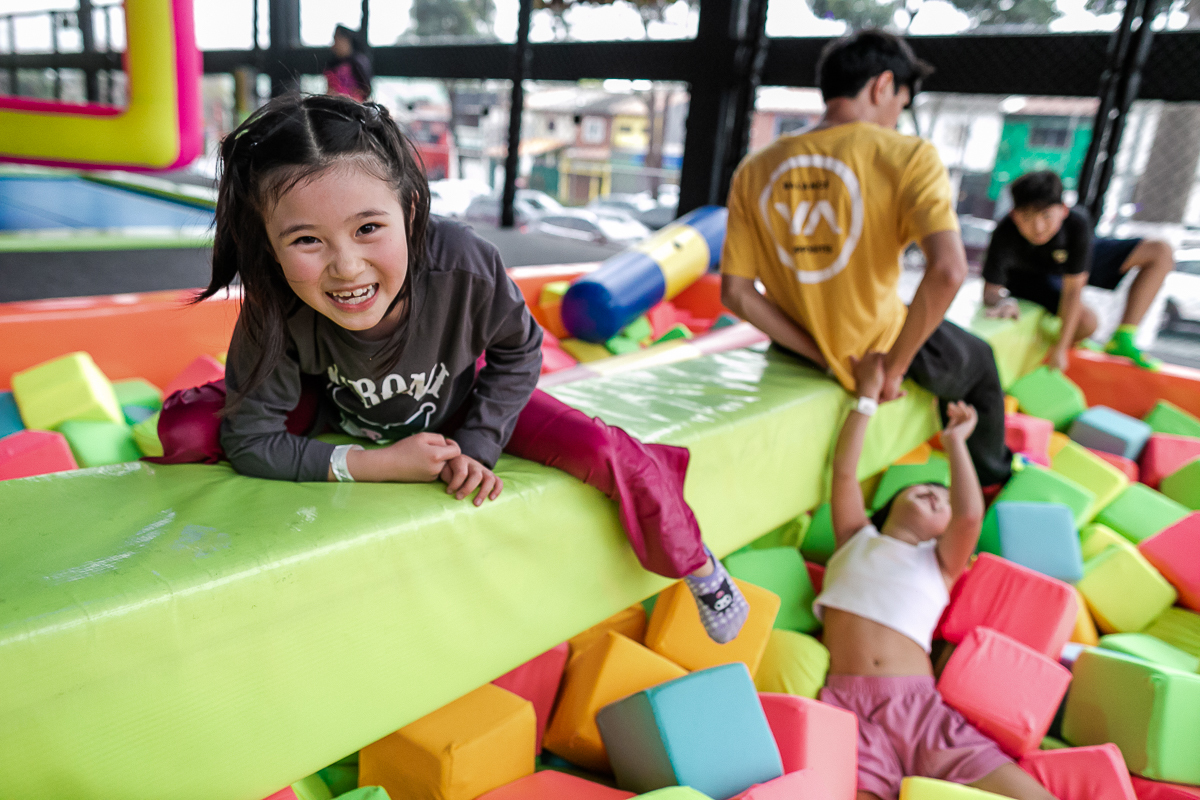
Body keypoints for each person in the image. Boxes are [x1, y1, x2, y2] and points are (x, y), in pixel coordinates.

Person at [174, 93, 748, 643]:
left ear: (411, 212)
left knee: (608, 451)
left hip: (460, 398)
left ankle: (698, 566)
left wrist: (478, 441)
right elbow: (248, 440)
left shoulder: (462, 264)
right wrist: (376, 465)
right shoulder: (276, 301)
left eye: (369, 228)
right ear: (269, 246)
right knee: (188, 431)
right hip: (335, 401)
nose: (346, 267)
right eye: (306, 240)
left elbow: (518, 351)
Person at [720, 29, 1012, 488]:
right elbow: (949, 271)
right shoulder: (909, 155)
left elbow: (736, 293)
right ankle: (992, 481)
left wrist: (822, 354)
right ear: (882, 86)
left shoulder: (755, 168)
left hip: (798, 343)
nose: (898, 116)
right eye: (902, 101)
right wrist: (890, 371)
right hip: (877, 344)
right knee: (981, 361)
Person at [814, 351, 1056, 800]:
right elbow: (844, 473)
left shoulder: (939, 563)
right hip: (847, 706)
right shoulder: (855, 539)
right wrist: (866, 398)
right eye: (923, 487)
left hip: (918, 708)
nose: (935, 493)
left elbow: (968, 517)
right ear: (889, 504)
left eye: (943, 499)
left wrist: (955, 443)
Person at [981, 170, 1174, 371]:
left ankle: (1122, 338)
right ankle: (1057, 339)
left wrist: (1060, 349)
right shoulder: (1004, 232)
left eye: (1046, 216)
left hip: (1067, 259)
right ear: (1014, 215)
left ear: (1064, 210)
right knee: (1087, 324)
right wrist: (1004, 300)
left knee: (1160, 251)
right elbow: (990, 289)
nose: (1037, 227)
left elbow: (1073, 290)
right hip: (1034, 277)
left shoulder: (1076, 223)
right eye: (1027, 217)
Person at [324, 25, 373, 102]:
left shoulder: (359, 62)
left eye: (337, 39)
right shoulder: (332, 64)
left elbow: (365, 90)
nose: (334, 44)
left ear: (346, 40)